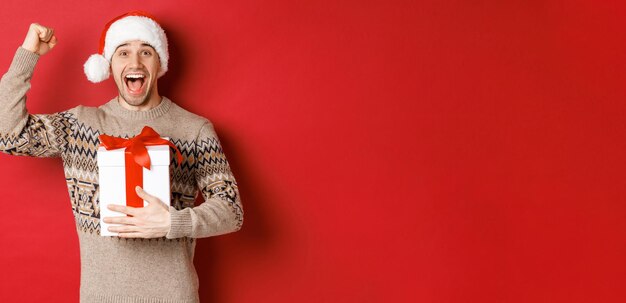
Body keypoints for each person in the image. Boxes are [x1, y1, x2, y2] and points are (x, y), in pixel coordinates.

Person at [0, 11, 244, 303]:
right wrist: (28, 54)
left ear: (160, 63)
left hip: (173, 296)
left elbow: (232, 211)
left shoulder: (194, 130)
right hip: (101, 296)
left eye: (146, 52)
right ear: (109, 65)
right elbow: (8, 134)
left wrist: (174, 222)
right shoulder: (81, 125)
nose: (135, 62)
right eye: (123, 52)